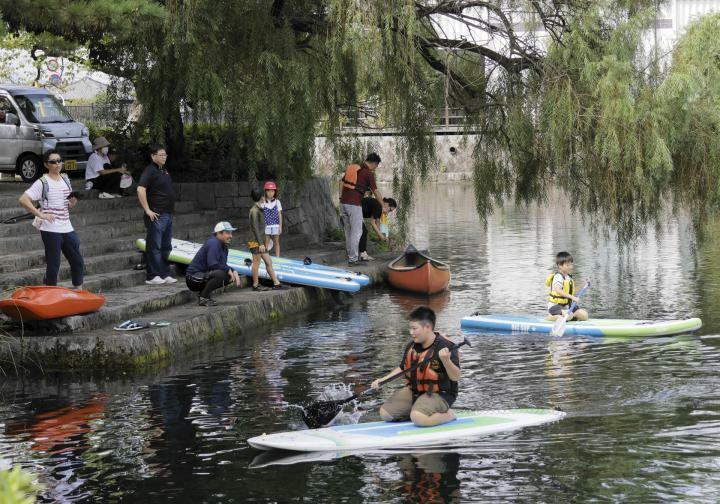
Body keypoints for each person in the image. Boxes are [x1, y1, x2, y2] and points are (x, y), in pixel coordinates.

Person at [372, 306, 461, 427]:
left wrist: (446, 360)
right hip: (415, 391)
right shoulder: (412, 346)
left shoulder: (446, 346)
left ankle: (448, 415)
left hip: (440, 394)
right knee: (386, 414)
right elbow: (403, 368)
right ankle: (418, 410)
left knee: (417, 417)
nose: (411, 332)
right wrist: (383, 380)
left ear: (427, 328)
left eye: (414, 328)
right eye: (410, 328)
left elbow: (455, 377)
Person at [18, 150, 84, 289]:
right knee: (54, 266)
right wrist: (40, 214)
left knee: (77, 261)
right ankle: (50, 293)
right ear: (46, 164)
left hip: (67, 226)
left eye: (59, 160)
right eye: (53, 162)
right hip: (50, 229)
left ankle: (79, 291)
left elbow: (66, 203)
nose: (57, 164)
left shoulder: (65, 179)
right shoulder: (42, 182)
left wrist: (72, 204)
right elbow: (23, 200)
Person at [137, 144, 177, 285]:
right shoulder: (150, 170)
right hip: (156, 214)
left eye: (165, 154)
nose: (164, 157)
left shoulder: (164, 170)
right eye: (161, 154)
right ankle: (152, 275)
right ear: (153, 156)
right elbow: (141, 189)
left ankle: (164, 273)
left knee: (166, 246)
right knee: (155, 246)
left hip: (168, 213)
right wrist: (147, 210)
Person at [339, 152, 383, 265]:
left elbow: (341, 182)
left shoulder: (353, 168)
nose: (375, 169)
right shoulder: (368, 173)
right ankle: (353, 259)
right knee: (357, 232)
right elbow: (376, 191)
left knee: (348, 232)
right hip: (354, 205)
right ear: (374, 163)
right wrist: (382, 204)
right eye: (376, 166)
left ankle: (351, 256)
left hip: (343, 204)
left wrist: (340, 198)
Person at [186, 221, 242, 306]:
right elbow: (213, 264)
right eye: (227, 233)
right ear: (219, 233)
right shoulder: (213, 243)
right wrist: (228, 269)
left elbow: (222, 264)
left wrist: (233, 270)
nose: (231, 236)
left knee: (229, 275)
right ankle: (203, 297)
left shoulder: (224, 246)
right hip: (193, 278)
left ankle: (204, 295)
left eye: (231, 233)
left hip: (204, 275)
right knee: (221, 274)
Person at [248, 187, 283, 291]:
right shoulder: (254, 211)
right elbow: (255, 229)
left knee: (268, 262)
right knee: (256, 263)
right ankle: (255, 285)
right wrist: (261, 244)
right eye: (263, 195)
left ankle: (276, 283)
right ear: (261, 197)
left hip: (261, 242)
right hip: (255, 242)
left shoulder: (259, 209)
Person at [546, 251, 589, 321]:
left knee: (584, 316)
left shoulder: (568, 277)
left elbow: (572, 290)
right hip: (555, 307)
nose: (570, 267)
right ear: (560, 265)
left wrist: (583, 285)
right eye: (567, 265)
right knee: (569, 315)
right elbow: (558, 290)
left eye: (571, 265)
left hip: (567, 306)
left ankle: (570, 318)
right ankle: (550, 317)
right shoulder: (558, 277)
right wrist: (572, 297)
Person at [359, 196, 397, 261]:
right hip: (354, 209)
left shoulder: (380, 209)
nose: (388, 213)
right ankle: (363, 255)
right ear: (387, 204)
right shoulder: (378, 206)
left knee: (363, 231)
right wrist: (380, 235)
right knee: (364, 231)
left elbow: (377, 222)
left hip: (356, 212)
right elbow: (372, 222)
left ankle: (362, 254)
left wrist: (381, 236)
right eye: (390, 210)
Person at [262, 181, 283, 257]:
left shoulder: (277, 202)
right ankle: (265, 257)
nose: (270, 193)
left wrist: (280, 226)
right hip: (267, 225)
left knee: (276, 242)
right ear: (265, 191)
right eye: (268, 191)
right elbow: (261, 214)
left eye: (272, 191)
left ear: (275, 192)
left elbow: (279, 214)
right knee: (266, 242)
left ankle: (278, 258)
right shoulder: (263, 202)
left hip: (276, 225)